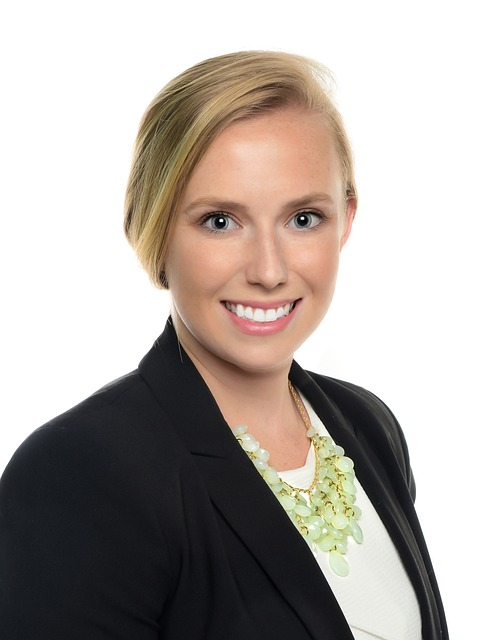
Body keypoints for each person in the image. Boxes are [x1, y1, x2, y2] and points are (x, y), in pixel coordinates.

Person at [0, 51, 448, 639]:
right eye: (220, 221)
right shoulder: (78, 473)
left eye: (304, 218)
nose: (268, 269)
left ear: (346, 220)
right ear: (157, 230)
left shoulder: (368, 425)